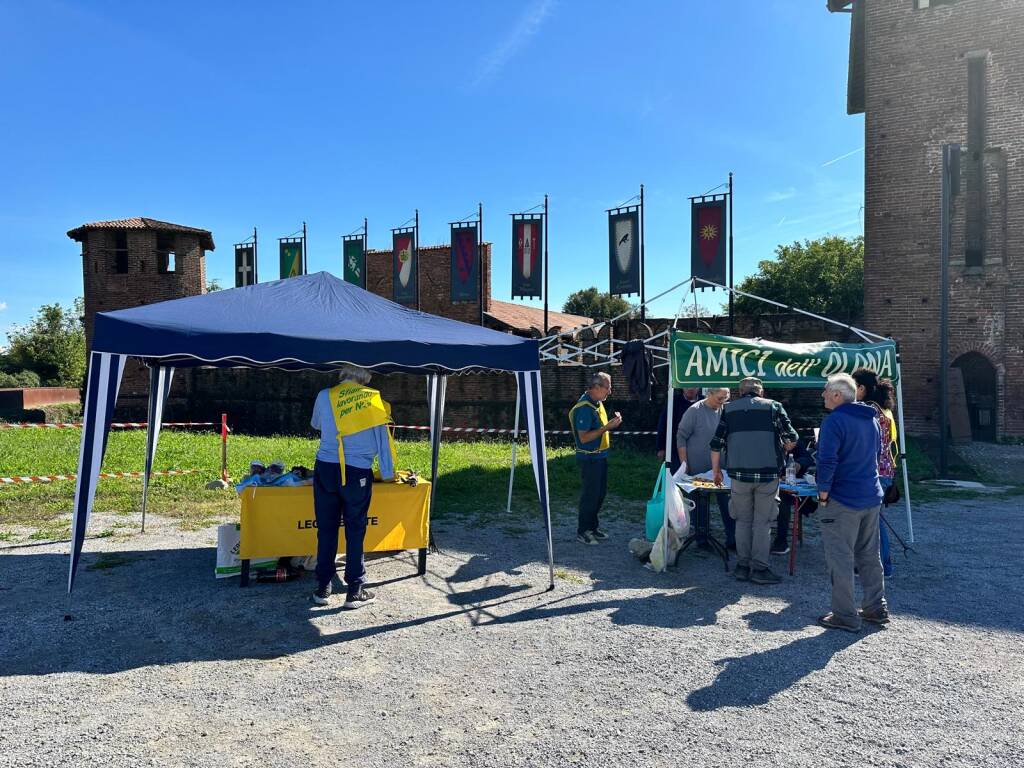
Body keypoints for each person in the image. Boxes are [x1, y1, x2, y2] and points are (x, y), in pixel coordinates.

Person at [309, 364, 396, 608]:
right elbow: (383, 439)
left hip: (326, 466)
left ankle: (322, 587)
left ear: (342, 374)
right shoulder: (373, 399)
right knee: (355, 529)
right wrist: (388, 472)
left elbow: (316, 424)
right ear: (364, 377)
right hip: (358, 470)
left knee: (325, 528)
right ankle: (355, 589)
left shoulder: (324, 395)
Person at [816, 373, 889, 632]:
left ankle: (845, 616)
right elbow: (877, 455)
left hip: (843, 498)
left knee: (841, 557)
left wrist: (823, 492)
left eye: (826, 390)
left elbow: (827, 461)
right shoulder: (872, 419)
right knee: (869, 555)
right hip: (870, 494)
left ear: (837, 395)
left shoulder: (834, 421)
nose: (823, 394)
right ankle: (875, 607)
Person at [710, 377, 797, 584]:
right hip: (767, 475)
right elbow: (791, 439)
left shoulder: (728, 409)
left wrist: (716, 471)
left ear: (740, 392)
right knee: (762, 523)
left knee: (742, 521)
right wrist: (783, 449)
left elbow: (716, 444)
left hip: (739, 475)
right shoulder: (774, 407)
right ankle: (759, 569)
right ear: (761, 392)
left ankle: (742, 566)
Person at [852, 368, 899, 578]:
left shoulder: (868, 410)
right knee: (873, 520)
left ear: (861, 388)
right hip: (885, 470)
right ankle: (875, 565)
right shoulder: (883, 410)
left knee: (874, 523)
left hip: (874, 471)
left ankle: (883, 567)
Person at [676, 387, 736, 550]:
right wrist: (684, 463)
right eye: (719, 398)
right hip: (697, 467)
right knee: (700, 503)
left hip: (721, 468)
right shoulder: (694, 410)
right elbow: (681, 436)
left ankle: (732, 538)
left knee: (727, 501)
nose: (722, 401)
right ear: (709, 394)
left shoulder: (726, 409)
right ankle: (701, 539)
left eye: (726, 397)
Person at [570, 371, 622, 545]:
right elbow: (584, 437)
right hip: (589, 459)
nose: (610, 391)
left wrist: (609, 425)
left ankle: (592, 527)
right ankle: (583, 531)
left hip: (600, 457)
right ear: (597, 387)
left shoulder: (596, 403)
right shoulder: (584, 408)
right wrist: (607, 427)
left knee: (599, 494)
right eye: (608, 387)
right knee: (590, 496)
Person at [772, 435, 817, 556]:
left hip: (785, 485)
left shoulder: (790, 437)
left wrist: (798, 464)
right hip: (764, 481)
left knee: (783, 498)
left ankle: (781, 541)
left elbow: (807, 458)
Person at [657, 387, 700, 473]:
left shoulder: (705, 401)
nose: (690, 389)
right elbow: (663, 424)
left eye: (694, 386)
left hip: (698, 450)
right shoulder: (673, 402)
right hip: (675, 448)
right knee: (677, 476)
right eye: (688, 386)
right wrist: (661, 448)